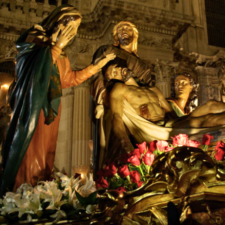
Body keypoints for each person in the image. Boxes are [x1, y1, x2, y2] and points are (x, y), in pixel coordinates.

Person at [0, 4, 115, 195]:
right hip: (32, 107)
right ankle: (23, 193)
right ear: (57, 22)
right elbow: (31, 71)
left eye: (76, 29)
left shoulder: (62, 53)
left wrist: (95, 67)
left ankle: (42, 193)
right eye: (70, 26)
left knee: (47, 153)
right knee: (31, 150)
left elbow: (68, 79)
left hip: (50, 111)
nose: (73, 33)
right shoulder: (33, 40)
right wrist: (56, 47)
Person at [100, 64, 225, 163]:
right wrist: (127, 146)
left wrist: (186, 123)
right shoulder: (121, 89)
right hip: (154, 129)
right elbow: (116, 117)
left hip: (170, 123)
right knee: (207, 120)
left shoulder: (153, 89)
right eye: (113, 73)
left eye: (116, 68)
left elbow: (172, 113)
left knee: (211, 105)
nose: (118, 70)